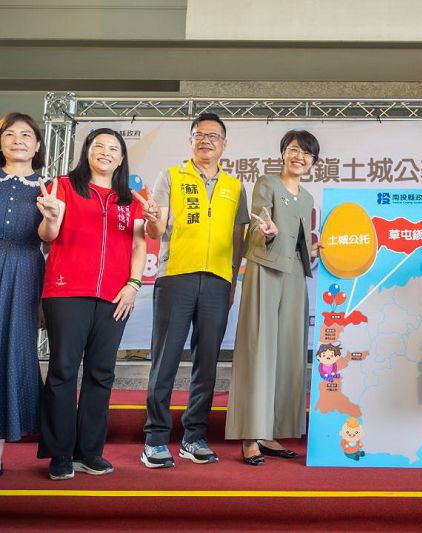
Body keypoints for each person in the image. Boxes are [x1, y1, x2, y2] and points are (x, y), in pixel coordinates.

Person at [37, 128, 146, 480]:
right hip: (66, 292)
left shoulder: (131, 199)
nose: (105, 152)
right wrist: (51, 217)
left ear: (122, 158)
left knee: (101, 373)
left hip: (115, 297)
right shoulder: (63, 186)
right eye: (98, 145)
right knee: (63, 370)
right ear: (86, 151)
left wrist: (133, 284)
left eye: (113, 148)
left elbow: (139, 245)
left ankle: (89, 452)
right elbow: (47, 236)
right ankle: (59, 454)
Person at [141, 113, 248, 468]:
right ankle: (156, 440)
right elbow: (155, 230)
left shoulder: (235, 187)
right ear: (190, 141)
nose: (206, 140)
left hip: (217, 281)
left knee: (207, 364)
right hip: (176, 277)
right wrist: (152, 219)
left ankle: (193, 437)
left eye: (213, 136)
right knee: (165, 360)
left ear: (224, 144)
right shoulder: (171, 176)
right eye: (199, 134)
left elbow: (238, 236)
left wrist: (232, 280)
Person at [225, 130, 320, 465]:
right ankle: (250, 434)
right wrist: (265, 233)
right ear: (282, 153)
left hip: (295, 275)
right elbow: (256, 225)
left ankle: (271, 431)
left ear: (313, 162)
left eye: (306, 154)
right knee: (259, 349)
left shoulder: (307, 198)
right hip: (265, 270)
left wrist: (313, 250)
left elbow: (298, 241)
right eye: (294, 150)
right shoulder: (267, 183)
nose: (299, 157)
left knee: (287, 352)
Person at [0, 113, 47, 476]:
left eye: (26, 134)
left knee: (13, 353)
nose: (18, 140)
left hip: (26, 272)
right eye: (10, 134)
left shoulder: (49, 188)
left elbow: (54, 240)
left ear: (38, 144)